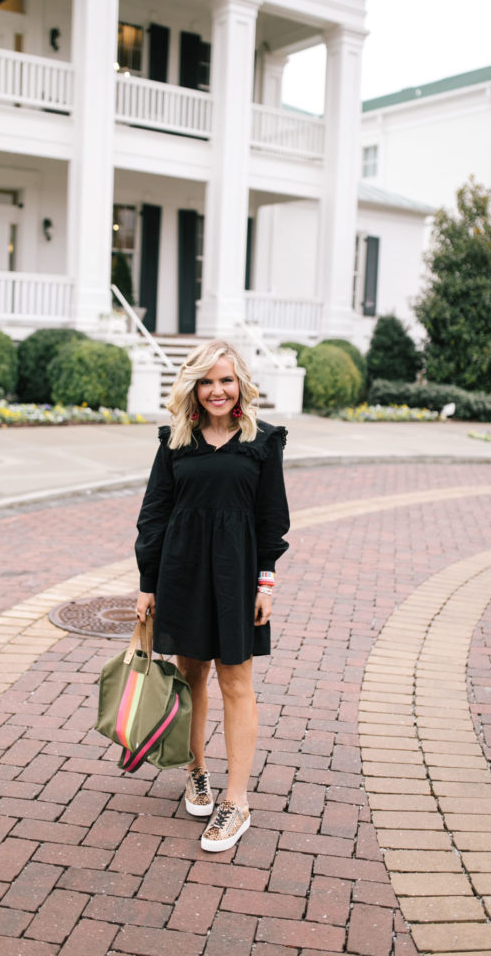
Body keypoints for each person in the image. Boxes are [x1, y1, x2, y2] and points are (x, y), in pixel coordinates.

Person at [134, 339, 290, 852]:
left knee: (236, 684)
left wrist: (265, 582)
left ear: (240, 383)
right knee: (191, 677)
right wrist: (147, 583)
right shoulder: (176, 440)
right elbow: (154, 513)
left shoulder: (263, 441)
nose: (217, 390)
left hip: (237, 577)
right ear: (193, 388)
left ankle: (237, 801)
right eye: (206, 381)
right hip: (182, 573)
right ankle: (196, 772)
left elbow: (272, 520)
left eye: (225, 380)